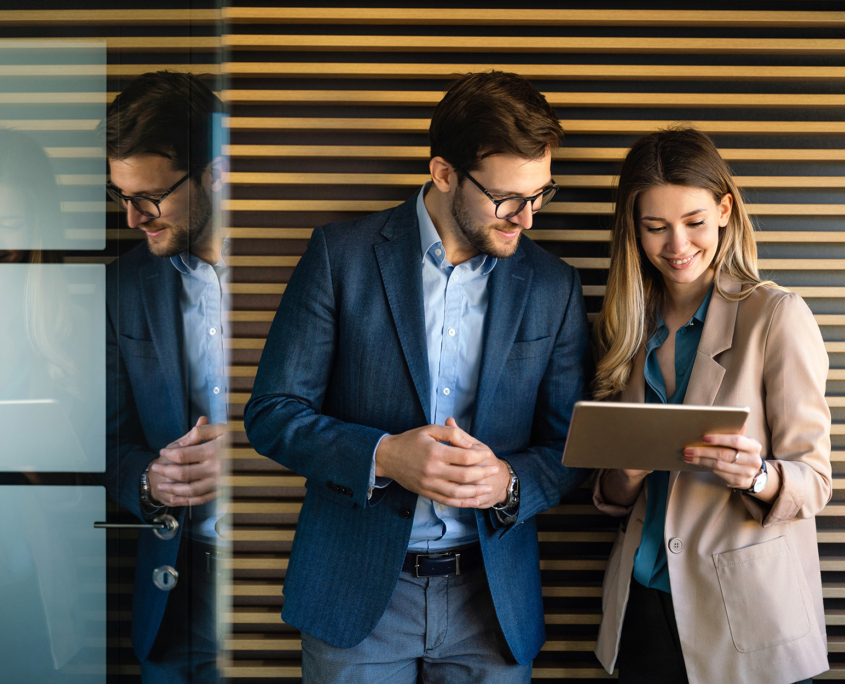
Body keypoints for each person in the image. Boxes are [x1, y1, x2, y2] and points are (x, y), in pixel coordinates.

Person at [244, 70, 592, 682]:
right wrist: (382, 456)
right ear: (443, 173)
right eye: (507, 198)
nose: (527, 218)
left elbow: (571, 448)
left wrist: (509, 483)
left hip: (492, 603)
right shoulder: (339, 255)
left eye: (540, 194)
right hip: (354, 597)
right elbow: (272, 412)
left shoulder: (554, 286)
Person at [591, 127, 831, 684]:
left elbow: (814, 479)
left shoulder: (777, 317)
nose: (677, 246)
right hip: (642, 605)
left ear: (725, 210)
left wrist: (758, 475)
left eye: (694, 222)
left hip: (744, 614)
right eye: (655, 227)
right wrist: (624, 476)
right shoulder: (625, 326)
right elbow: (611, 492)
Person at [101, 71, 229, 683]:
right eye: (120, 195)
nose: (132, 218)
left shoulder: (312, 268)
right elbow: (106, 442)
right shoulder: (122, 288)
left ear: (217, 174)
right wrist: (150, 479)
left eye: (149, 199)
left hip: (295, 579)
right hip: (175, 594)